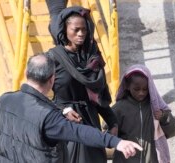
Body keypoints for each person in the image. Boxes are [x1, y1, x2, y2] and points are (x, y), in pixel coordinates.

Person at [0, 53, 142, 163]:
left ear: (26, 73)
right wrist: (117, 142)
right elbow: (79, 132)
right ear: (52, 79)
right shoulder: (47, 116)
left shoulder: (5, 100)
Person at [45, 5, 119, 163]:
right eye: (76, 29)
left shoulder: (93, 57)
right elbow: (39, 95)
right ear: (65, 29)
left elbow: (97, 95)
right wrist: (64, 109)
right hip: (65, 124)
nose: (81, 34)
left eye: (84, 29)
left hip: (90, 122)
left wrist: (112, 121)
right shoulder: (53, 57)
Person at [112, 64, 171, 163]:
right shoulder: (119, 108)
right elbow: (107, 132)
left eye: (145, 89)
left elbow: (171, 130)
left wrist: (163, 117)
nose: (141, 93)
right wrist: (112, 131)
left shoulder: (154, 107)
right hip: (125, 160)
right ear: (127, 86)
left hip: (150, 159)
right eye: (136, 89)